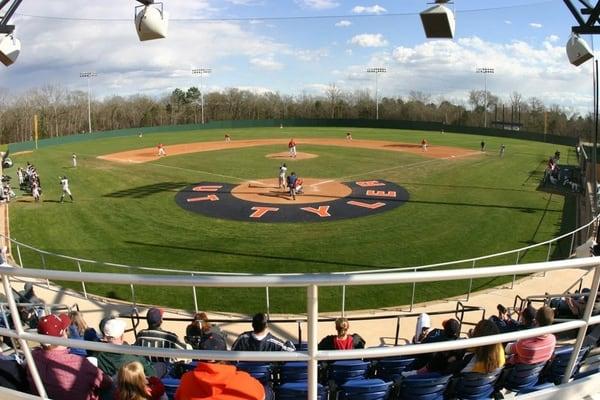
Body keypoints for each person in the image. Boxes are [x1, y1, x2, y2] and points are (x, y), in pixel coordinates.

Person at [28, 313, 112, 400]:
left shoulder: (33, 356)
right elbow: (106, 382)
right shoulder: (79, 363)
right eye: (65, 330)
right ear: (63, 335)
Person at [175, 337, 264, 400]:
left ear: (199, 356)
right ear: (225, 355)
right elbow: (262, 396)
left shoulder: (186, 380)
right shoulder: (246, 380)